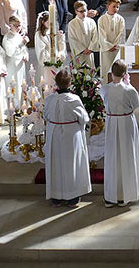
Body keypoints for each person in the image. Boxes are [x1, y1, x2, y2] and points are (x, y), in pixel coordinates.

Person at [43, 69, 91, 207]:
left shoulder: (50, 99)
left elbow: (46, 115)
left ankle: (56, 197)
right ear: (70, 84)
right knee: (71, 165)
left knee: (56, 164)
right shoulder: (74, 99)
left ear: (56, 83)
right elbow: (84, 118)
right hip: (70, 135)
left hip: (54, 134)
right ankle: (72, 197)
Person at [101, 60, 139, 207]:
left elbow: (105, 100)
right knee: (126, 156)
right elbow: (137, 104)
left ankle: (110, 197)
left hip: (112, 123)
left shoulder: (105, 89)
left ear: (111, 73)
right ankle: (124, 195)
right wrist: (129, 84)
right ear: (125, 74)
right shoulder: (129, 90)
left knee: (113, 158)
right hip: (126, 122)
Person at [34, 10, 67, 86]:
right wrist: (52, 58)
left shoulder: (55, 31)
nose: (51, 24)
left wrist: (61, 38)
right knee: (48, 85)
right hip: (47, 65)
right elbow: (41, 51)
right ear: (42, 22)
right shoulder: (39, 34)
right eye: (48, 22)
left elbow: (61, 46)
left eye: (52, 21)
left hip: (57, 63)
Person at [98, 0, 126, 81]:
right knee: (106, 69)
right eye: (113, 6)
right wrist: (109, 46)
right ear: (108, 6)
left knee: (117, 70)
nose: (116, 9)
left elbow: (121, 34)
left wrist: (116, 45)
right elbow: (101, 35)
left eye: (117, 7)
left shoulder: (120, 19)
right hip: (106, 50)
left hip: (116, 49)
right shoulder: (101, 19)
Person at [2, 14, 30, 98]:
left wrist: (25, 55)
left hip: (20, 65)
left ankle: (22, 107)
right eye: (16, 26)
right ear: (10, 25)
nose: (18, 28)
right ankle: (14, 108)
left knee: (22, 86)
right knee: (14, 87)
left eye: (19, 26)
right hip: (12, 66)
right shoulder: (7, 37)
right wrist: (22, 43)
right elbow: (10, 52)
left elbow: (24, 49)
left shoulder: (18, 36)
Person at [66, 0, 98, 71]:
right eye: (81, 11)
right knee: (80, 73)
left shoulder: (91, 21)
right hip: (79, 54)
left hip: (89, 53)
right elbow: (72, 39)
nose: (84, 13)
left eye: (85, 10)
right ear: (76, 11)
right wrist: (82, 49)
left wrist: (90, 48)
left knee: (90, 74)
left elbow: (95, 36)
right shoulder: (72, 24)